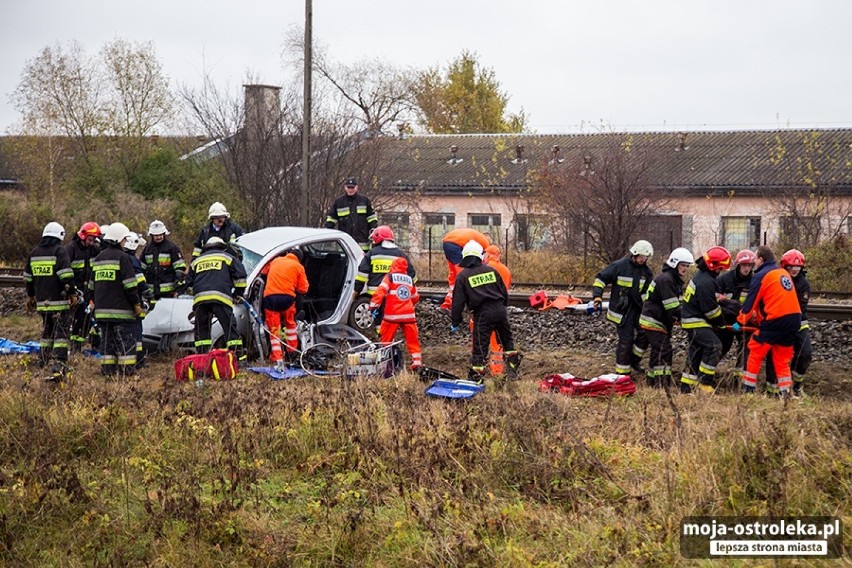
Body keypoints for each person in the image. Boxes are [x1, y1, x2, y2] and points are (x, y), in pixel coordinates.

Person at [450, 240, 521, 382]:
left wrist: (456, 321)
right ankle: (512, 370)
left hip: (482, 314)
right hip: (500, 311)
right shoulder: (492, 271)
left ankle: (477, 378)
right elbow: (504, 293)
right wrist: (502, 308)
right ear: (480, 256)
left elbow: (457, 303)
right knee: (507, 342)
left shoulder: (463, 276)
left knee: (480, 348)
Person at [738, 246, 802, 395]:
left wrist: (740, 321)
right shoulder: (782, 272)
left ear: (761, 259)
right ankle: (785, 392)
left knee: (755, 349)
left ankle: (748, 390)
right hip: (794, 319)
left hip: (776, 319)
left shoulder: (761, 275)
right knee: (782, 357)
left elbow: (750, 303)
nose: (753, 261)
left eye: (755, 258)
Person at [592, 240, 654, 377]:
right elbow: (601, 278)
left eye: (646, 258)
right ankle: (622, 374)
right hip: (622, 312)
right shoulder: (619, 266)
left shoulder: (647, 273)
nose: (644, 260)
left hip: (638, 310)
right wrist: (597, 296)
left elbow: (647, 294)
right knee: (626, 340)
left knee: (645, 335)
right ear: (635, 254)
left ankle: (633, 360)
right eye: (642, 257)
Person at [89, 223, 142, 377]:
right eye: (124, 239)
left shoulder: (99, 258)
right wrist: (136, 304)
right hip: (122, 313)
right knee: (126, 344)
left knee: (107, 346)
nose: (125, 242)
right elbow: (130, 286)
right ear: (119, 239)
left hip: (102, 314)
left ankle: (108, 373)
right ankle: (127, 375)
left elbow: (91, 287)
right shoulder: (123, 257)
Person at [24, 222, 75, 380]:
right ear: (59, 236)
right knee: (61, 334)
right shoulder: (59, 251)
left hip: (42, 303)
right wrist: (72, 293)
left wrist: (31, 295)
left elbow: (28, 278)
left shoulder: (34, 253)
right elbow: (65, 275)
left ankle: (43, 359)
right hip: (59, 302)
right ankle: (59, 363)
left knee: (47, 332)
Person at [639, 247, 694, 388]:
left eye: (687, 266)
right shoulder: (667, 280)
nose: (685, 269)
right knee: (664, 349)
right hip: (654, 320)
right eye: (683, 265)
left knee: (657, 351)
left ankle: (652, 381)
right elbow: (672, 307)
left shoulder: (669, 278)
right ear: (675, 264)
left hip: (656, 319)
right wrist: (687, 317)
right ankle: (660, 383)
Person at [680, 246, 731, 393]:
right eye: (720, 268)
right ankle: (704, 383)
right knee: (714, 346)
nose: (720, 271)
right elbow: (711, 311)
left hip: (692, 319)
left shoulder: (702, 277)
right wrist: (721, 323)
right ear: (713, 265)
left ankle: (686, 386)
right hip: (696, 321)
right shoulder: (706, 282)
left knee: (695, 352)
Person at [186, 236, 248, 358]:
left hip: (200, 300)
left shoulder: (197, 261)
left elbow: (188, 283)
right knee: (229, 328)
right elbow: (241, 278)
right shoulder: (228, 258)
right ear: (222, 247)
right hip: (221, 298)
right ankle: (238, 357)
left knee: (201, 331)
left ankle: (202, 358)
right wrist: (237, 294)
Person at [353, 226, 416, 330]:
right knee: (390, 319)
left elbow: (362, 275)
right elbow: (413, 277)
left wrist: (357, 291)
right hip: (394, 297)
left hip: (376, 295)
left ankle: (382, 339)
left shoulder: (372, 254)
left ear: (377, 238)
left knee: (379, 320)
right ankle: (388, 338)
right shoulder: (401, 255)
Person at [369, 256, 423, 371]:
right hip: (408, 315)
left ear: (393, 265)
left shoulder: (390, 277)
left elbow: (380, 292)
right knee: (413, 339)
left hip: (392, 315)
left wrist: (373, 306)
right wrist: (407, 304)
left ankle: (385, 362)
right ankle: (417, 362)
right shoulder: (409, 279)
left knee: (386, 339)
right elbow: (415, 297)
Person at [260, 248, 309, 364]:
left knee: (274, 329)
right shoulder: (298, 267)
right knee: (290, 326)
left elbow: (263, 271)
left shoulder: (276, 260)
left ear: (288, 254)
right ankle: (292, 353)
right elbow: (303, 288)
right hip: (287, 299)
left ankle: (277, 357)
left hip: (270, 298)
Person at [715, 249, 756, 378]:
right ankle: (705, 370)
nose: (747, 268)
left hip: (743, 322)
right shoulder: (724, 279)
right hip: (726, 320)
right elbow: (715, 298)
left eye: (749, 265)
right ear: (738, 265)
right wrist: (734, 306)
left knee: (746, 347)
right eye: (744, 265)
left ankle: (739, 378)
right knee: (722, 346)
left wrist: (729, 303)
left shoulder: (754, 282)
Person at [64, 221, 101, 353]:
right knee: (72, 320)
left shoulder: (95, 250)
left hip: (87, 292)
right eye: (90, 239)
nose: (91, 242)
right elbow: (65, 272)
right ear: (83, 236)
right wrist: (72, 292)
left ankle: (78, 346)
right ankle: (72, 347)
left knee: (84, 321)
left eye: (94, 240)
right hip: (74, 292)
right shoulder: (71, 249)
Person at [439, 228, 491, 312]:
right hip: (457, 245)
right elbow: (483, 263)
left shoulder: (475, 236)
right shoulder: (486, 244)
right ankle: (461, 303)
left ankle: (449, 303)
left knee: (454, 275)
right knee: (464, 277)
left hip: (447, 242)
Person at [480, 244, 512, 375]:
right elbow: (506, 290)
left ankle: (480, 367)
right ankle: (498, 370)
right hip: (500, 309)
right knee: (497, 341)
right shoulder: (506, 270)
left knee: (480, 340)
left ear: (487, 254)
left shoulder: (484, 268)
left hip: (484, 310)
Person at [123, 232, 153, 369]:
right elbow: (140, 280)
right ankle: (139, 361)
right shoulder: (133, 260)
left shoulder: (121, 258)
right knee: (136, 331)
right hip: (134, 299)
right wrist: (148, 294)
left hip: (123, 300)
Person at [324, 177, 378, 252]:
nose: (350, 189)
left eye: (352, 187)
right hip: (344, 244)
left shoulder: (364, 200)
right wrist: (327, 231)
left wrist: (374, 230)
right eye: (348, 187)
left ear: (356, 187)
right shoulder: (339, 202)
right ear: (345, 188)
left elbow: (371, 218)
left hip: (362, 244)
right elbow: (331, 219)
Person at [142, 219, 187, 301]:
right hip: (151, 293)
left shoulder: (171, 248)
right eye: (156, 235)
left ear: (164, 233)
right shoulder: (147, 249)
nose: (159, 237)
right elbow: (141, 268)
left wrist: (178, 286)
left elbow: (180, 267)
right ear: (151, 235)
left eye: (160, 234)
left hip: (168, 292)